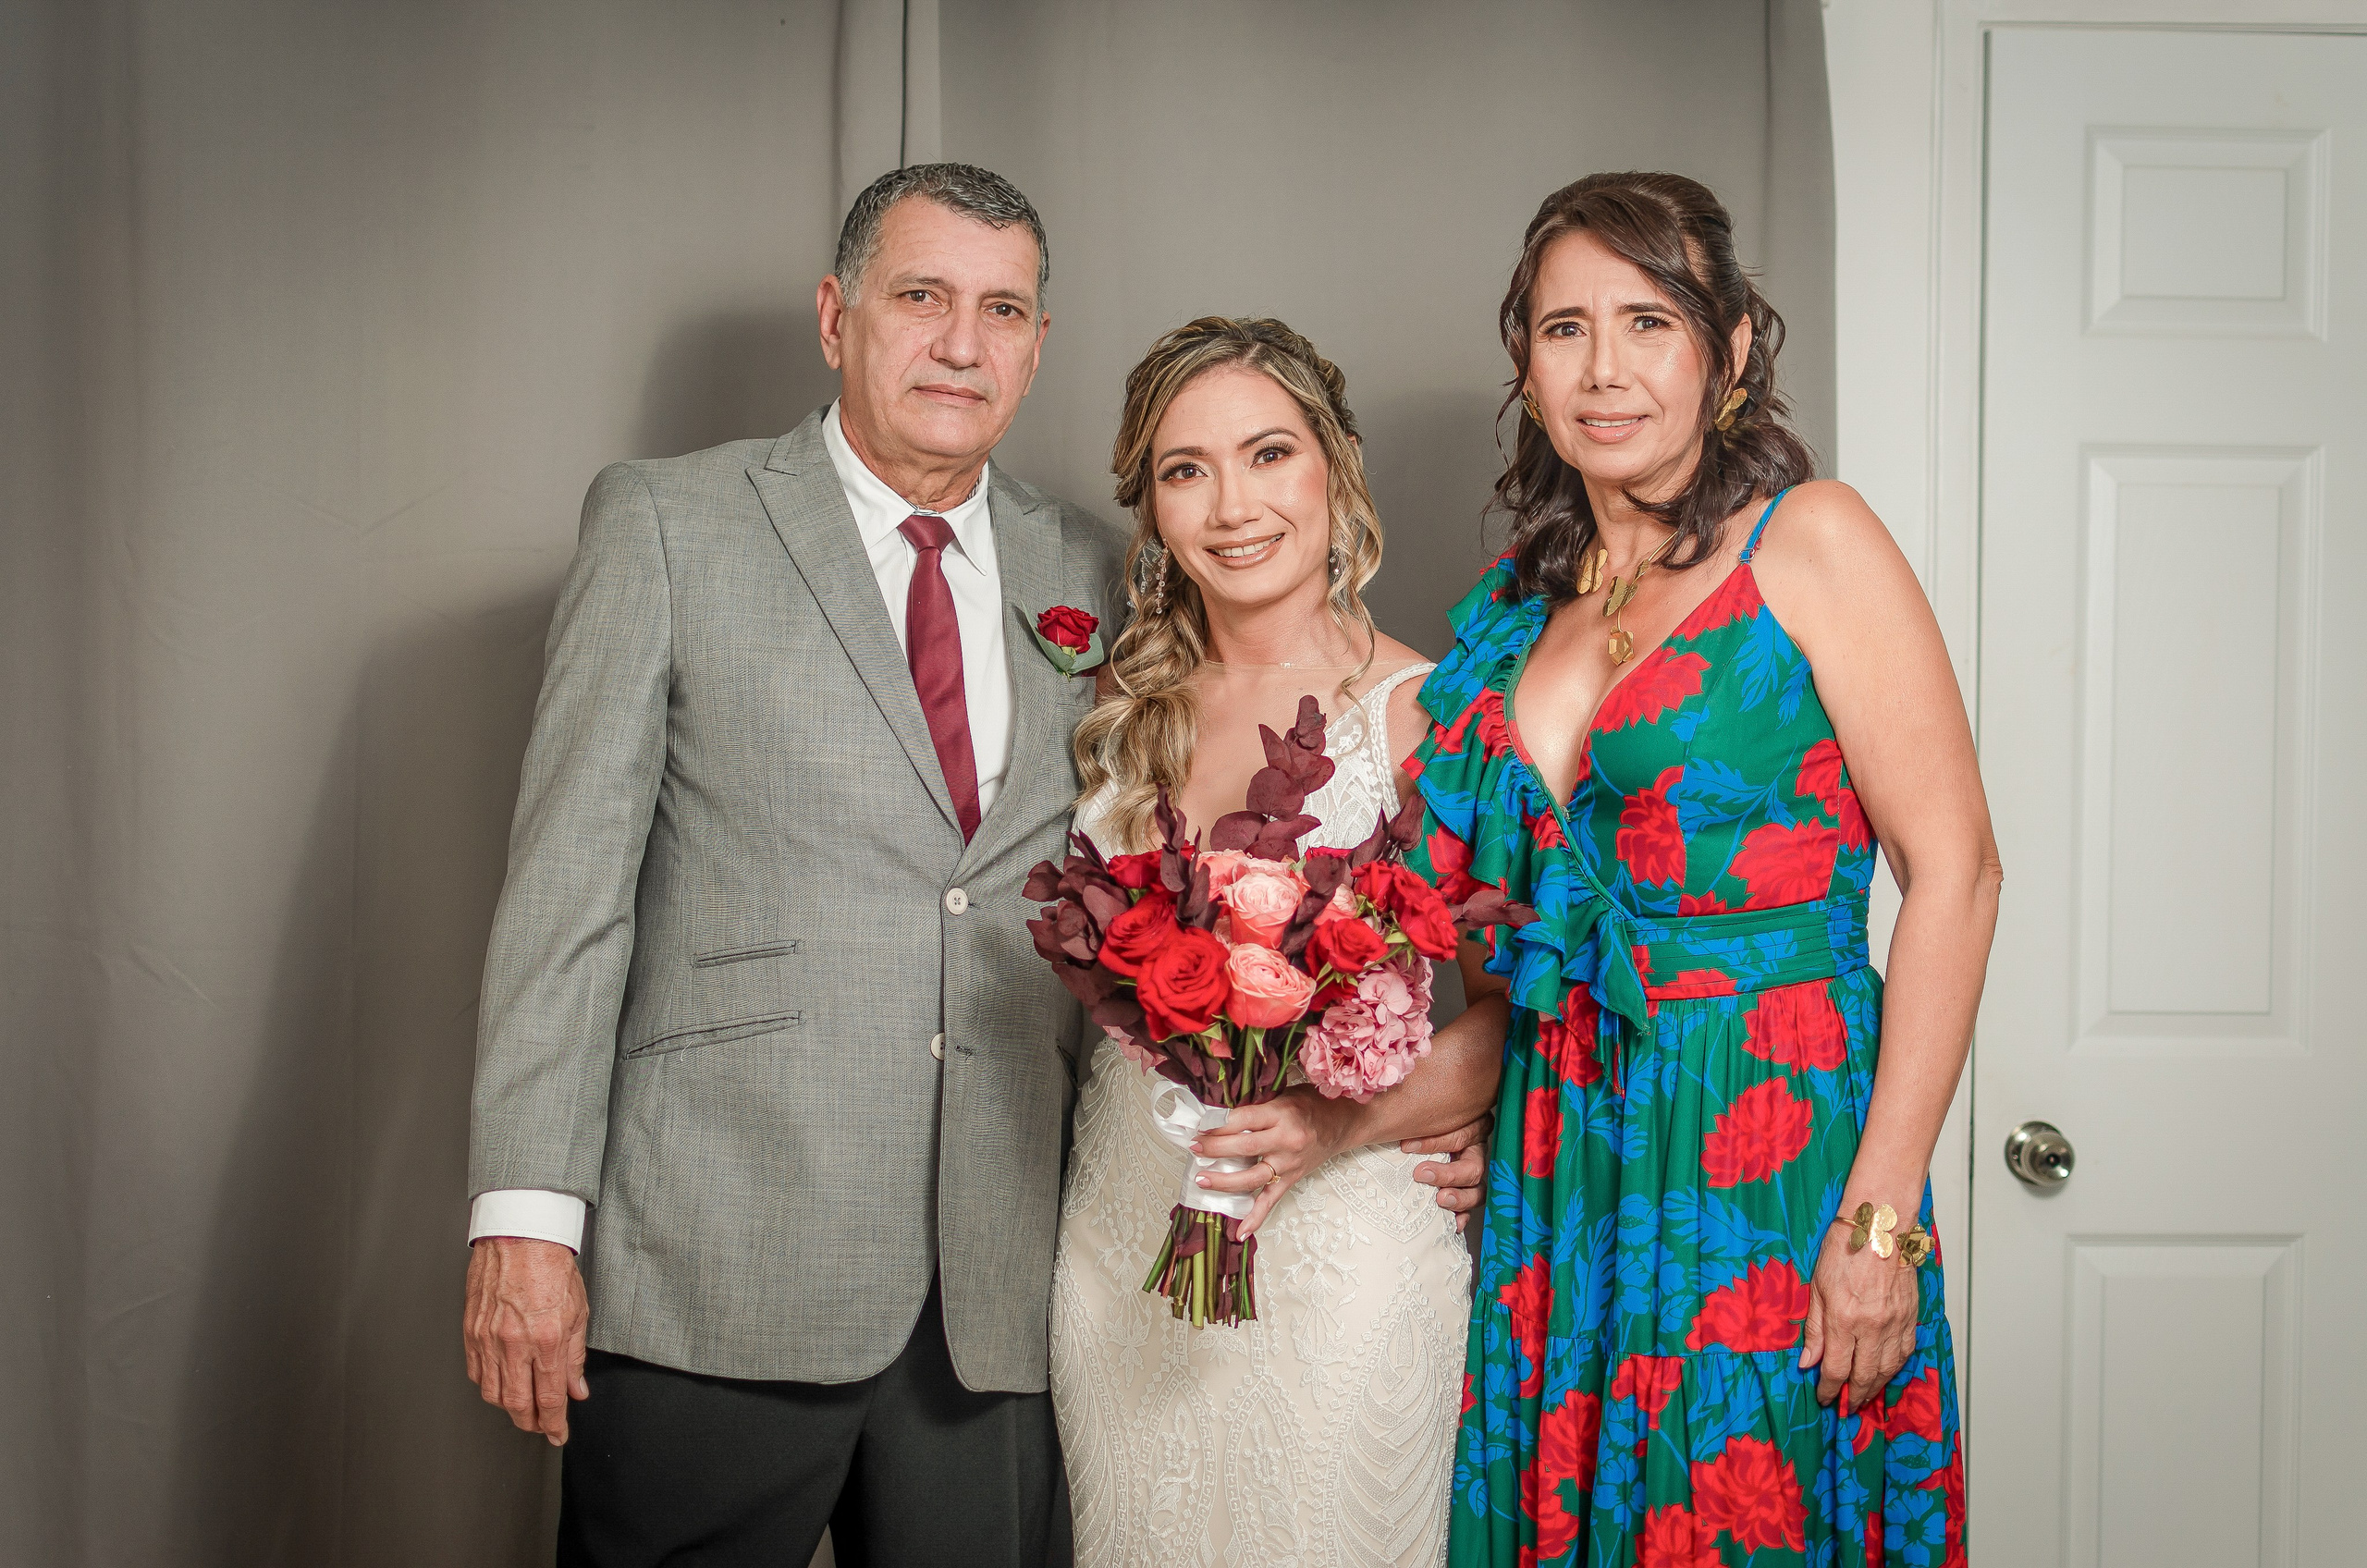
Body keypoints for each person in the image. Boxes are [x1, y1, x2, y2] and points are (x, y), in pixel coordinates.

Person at [1415, 173, 1996, 1566]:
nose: (1604, 370)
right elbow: (1519, 921)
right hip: (1568, 1147)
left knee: (1736, 1507)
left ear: (1729, 350)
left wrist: (1884, 1217)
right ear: (1525, 360)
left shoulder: (1813, 543)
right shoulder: (1517, 609)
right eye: (1565, 329)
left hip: (1768, 1123)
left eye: (1648, 322)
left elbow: (1958, 872)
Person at [1052, 317, 1502, 1567]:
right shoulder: (1111, 706)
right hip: (1118, 1241)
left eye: (1269, 454)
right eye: (1187, 469)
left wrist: (1337, 1122)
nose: (1233, 504)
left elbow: (1518, 1014)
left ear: (1336, 467)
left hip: (1343, 1254)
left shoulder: (1434, 714)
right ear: (1149, 502)